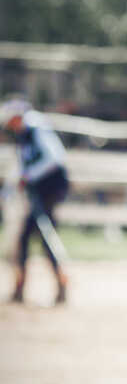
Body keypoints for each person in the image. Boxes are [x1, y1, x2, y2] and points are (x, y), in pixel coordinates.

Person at [1, 100, 70, 305]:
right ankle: (29, 287)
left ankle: (55, 284)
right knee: (37, 237)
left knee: (38, 236)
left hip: (50, 190)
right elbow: (22, 169)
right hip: (39, 192)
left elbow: (54, 159)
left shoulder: (37, 129)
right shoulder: (24, 136)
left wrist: (30, 176)